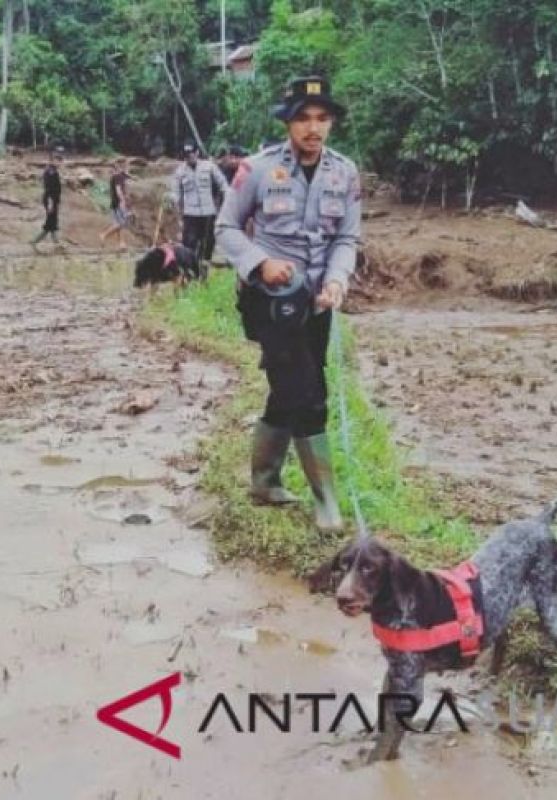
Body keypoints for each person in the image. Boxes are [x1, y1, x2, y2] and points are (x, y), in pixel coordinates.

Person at [216, 76, 361, 532]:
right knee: (307, 393)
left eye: (321, 119)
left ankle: (263, 480)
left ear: (331, 123)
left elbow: (346, 237)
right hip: (270, 303)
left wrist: (337, 280)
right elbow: (226, 228)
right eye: (303, 118)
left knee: (288, 388)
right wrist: (260, 264)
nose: (312, 128)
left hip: (317, 304)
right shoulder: (256, 170)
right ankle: (327, 503)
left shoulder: (345, 173)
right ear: (288, 123)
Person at [169, 142, 228, 268]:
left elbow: (223, 184)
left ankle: (204, 269)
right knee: (189, 243)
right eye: (186, 155)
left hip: (208, 212)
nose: (189, 158)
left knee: (208, 243)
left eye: (191, 154)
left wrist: (226, 201)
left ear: (197, 153)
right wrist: (176, 211)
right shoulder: (180, 172)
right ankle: (190, 270)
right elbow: (176, 194)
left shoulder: (209, 167)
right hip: (190, 214)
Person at [31, 147, 64, 250]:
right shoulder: (51, 172)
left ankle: (57, 243)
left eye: (60, 161)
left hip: (52, 199)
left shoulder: (52, 171)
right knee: (50, 222)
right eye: (58, 161)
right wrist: (51, 203)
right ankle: (35, 241)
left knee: (52, 222)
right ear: (53, 161)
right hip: (50, 199)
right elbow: (49, 188)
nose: (60, 163)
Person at [99, 159, 131, 251]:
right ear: (122, 166)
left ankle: (122, 244)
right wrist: (123, 201)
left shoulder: (117, 176)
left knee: (119, 223)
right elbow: (118, 190)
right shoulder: (118, 176)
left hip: (114, 202)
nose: (128, 167)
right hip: (118, 203)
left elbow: (127, 179)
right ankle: (104, 235)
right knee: (121, 223)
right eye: (127, 165)